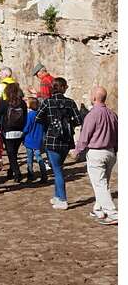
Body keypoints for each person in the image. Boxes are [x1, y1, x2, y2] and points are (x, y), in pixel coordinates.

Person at [71, 86, 118, 225]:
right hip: (110, 152)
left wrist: (77, 151)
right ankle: (99, 209)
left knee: (100, 184)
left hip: (97, 152)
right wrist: (115, 150)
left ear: (94, 98)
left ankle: (113, 213)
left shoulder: (92, 115)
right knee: (103, 183)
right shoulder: (112, 114)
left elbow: (85, 136)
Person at [35, 77, 82, 210]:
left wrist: (51, 124)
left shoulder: (48, 102)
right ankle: (57, 196)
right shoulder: (70, 103)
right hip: (66, 139)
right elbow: (78, 120)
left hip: (52, 138)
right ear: (63, 87)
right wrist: (67, 124)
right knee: (59, 168)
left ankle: (63, 199)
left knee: (57, 170)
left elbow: (38, 118)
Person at [0, 82, 28, 183]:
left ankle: (17, 173)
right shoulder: (22, 104)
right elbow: (25, 117)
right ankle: (10, 171)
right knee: (14, 153)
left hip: (8, 132)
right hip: (20, 132)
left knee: (11, 154)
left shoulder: (4, 103)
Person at [21, 96, 47, 183]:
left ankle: (30, 173)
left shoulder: (30, 115)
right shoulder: (40, 114)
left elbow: (27, 127)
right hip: (38, 138)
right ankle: (44, 173)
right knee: (39, 156)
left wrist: (23, 132)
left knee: (29, 157)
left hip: (29, 138)